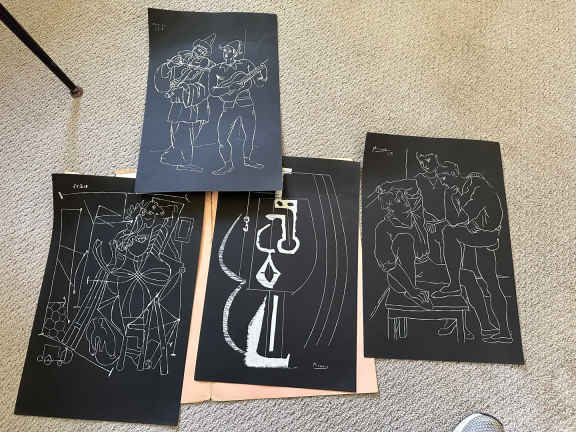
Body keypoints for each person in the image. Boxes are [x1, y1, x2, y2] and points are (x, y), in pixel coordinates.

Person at [434, 163, 513, 343]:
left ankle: (454, 284)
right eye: (440, 179)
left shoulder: (476, 185)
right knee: (490, 281)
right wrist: (451, 198)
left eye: (444, 177)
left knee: (449, 233)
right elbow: (453, 219)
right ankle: (503, 331)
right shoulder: (455, 192)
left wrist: (468, 220)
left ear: (454, 172)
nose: (443, 182)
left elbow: (460, 219)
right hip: (478, 234)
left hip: (487, 234)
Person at [154, 34, 215, 172]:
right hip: (178, 102)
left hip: (194, 104)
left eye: (203, 51)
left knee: (187, 131)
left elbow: (205, 88)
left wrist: (182, 89)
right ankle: (178, 157)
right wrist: (170, 65)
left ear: (206, 54)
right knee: (176, 129)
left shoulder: (208, 68)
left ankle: (183, 160)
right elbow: (163, 75)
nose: (199, 53)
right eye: (198, 49)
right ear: (194, 48)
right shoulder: (182, 59)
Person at [209, 40, 268, 175]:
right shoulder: (215, 69)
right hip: (228, 106)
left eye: (229, 50)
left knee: (249, 135)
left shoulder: (246, 64)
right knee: (222, 138)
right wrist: (230, 87)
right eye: (224, 50)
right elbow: (212, 91)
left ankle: (247, 160)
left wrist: (264, 73)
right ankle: (227, 164)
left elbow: (259, 84)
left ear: (236, 52)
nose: (225, 52)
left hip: (246, 105)